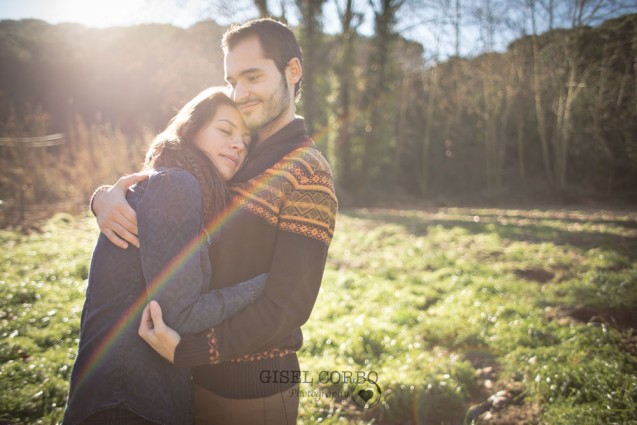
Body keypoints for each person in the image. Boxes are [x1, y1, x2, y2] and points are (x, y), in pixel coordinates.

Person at [92, 18, 338, 424]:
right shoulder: (232, 154)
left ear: (292, 72)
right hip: (186, 384)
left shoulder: (307, 172)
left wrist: (189, 351)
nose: (239, 93)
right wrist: (107, 197)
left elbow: (289, 304)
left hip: (249, 390)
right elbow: (168, 201)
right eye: (232, 80)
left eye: (253, 77)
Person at [63, 87, 269, 425]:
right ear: (191, 129)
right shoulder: (177, 186)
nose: (238, 145)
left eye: (245, 140)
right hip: (125, 402)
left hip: (133, 398)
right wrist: (266, 285)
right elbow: (181, 315)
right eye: (225, 130)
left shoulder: (180, 189)